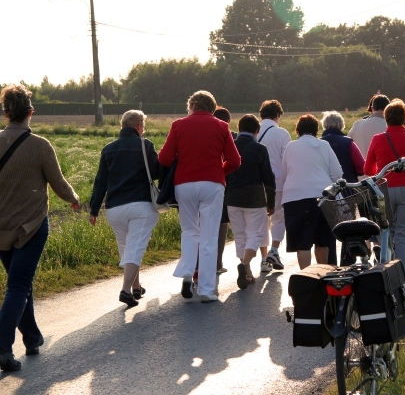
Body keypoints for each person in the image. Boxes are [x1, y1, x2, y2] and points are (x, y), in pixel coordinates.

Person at [0, 84, 80, 371]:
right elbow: (58, 183)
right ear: (30, 112)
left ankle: (32, 338)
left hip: (1, 229)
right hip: (31, 227)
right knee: (19, 285)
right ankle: (3, 346)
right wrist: (74, 198)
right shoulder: (40, 145)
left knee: (20, 284)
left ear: (6, 112)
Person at [158, 91, 241, 303]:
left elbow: (165, 158)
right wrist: (219, 171)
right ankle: (205, 290)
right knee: (209, 236)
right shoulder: (222, 127)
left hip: (184, 183)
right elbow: (234, 160)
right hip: (212, 183)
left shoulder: (178, 125)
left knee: (189, 231)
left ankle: (187, 273)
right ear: (212, 108)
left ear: (192, 105)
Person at [89, 110, 160, 308]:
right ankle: (125, 290)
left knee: (128, 248)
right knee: (135, 247)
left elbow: (100, 182)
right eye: (143, 126)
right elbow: (155, 172)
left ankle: (136, 287)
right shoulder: (145, 145)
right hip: (141, 205)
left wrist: (94, 209)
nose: (143, 130)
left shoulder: (108, 149)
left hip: (115, 208)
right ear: (138, 126)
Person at [364, 99, 405, 274]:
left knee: (386, 231)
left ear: (386, 118)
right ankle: (402, 274)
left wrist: (381, 174)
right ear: (404, 118)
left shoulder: (377, 139)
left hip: (384, 190)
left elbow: (368, 169)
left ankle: (386, 272)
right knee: (403, 234)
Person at [281, 114, 343, 269]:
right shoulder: (324, 145)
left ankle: (306, 280)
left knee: (303, 243)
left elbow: (284, 174)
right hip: (322, 197)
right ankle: (323, 277)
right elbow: (337, 174)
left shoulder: (290, 146)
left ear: (298, 130)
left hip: (295, 198)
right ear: (316, 130)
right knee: (322, 240)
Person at [226, 115, 276, 289]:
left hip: (232, 198)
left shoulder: (230, 147)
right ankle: (244, 264)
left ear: (239, 128)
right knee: (254, 234)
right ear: (257, 131)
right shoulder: (259, 149)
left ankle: (247, 273)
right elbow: (268, 178)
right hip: (254, 199)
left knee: (240, 236)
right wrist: (271, 202)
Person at [320, 111, 365, 266]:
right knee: (348, 228)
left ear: (324, 125)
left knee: (328, 229)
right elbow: (361, 167)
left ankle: (331, 264)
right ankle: (347, 263)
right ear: (341, 125)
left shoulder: (319, 143)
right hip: (347, 191)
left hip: (326, 191)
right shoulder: (348, 143)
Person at [257, 100, 291, 272]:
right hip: (276, 182)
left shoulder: (254, 130)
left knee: (260, 220)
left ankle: (263, 261)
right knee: (278, 217)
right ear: (278, 115)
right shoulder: (282, 133)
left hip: (256, 183)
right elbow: (286, 159)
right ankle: (274, 250)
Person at [214, 106, 237, 275]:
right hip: (224, 185)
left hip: (207, 182)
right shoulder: (233, 136)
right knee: (221, 225)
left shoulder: (207, 134)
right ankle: (217, 262)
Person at [348, 94, 390, 159]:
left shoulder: (357, 125)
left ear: (372, 108)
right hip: (384, 167)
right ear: (389, 108)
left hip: (360, 166)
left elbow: (348, 144)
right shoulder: (390, 127)